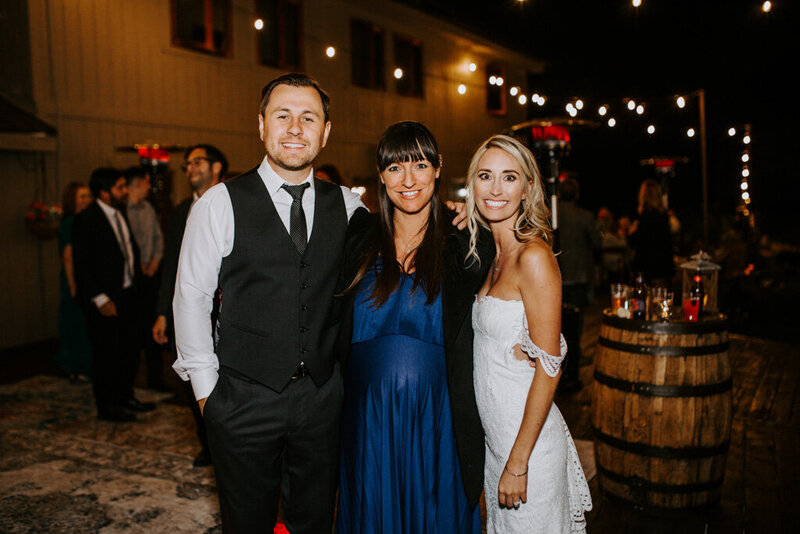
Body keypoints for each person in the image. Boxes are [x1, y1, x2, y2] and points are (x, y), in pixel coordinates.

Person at [172, 73, 367, 533]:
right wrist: (207, 395)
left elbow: (397, 261)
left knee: (316, 521)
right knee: (247, 523)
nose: (295, 128)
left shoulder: (351, 207)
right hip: (242, 397)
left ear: (325, 131)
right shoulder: (219, 204)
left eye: (308, 117)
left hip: (322, 400)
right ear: (262, 126)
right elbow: (191, 298)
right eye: (283, 116)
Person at [334, 121, 493, 533]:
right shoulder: (358, 235)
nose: (408, 180)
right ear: (380, 174)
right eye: (394, 168)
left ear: (438, 168)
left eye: (419, 165)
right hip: (366, 418)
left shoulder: (467, 241)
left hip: (438, 417)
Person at [465, 135, 592, 533]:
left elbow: (550, 367)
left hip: (527, 450)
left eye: (509, 177)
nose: (496, 189)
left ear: (528, 188)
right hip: (497, 442)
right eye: (486, 176)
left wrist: (518, 462)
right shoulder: (494, 254)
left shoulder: (532, 256)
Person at [152, 143, 228, 468]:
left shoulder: (234, 203)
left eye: (197, 161)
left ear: (216, 167)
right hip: (188, 308)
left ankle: (232, 442)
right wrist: (161, 313)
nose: (190, 168)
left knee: (228, 379)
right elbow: (172, 264)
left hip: (228, 311)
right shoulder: (181, 211)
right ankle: (208, 445)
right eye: (187, 164)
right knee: (192, 379)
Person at [72, 167, 155, 422]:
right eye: (120, 187)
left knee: (129, 351)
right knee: (107, 354)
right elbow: (82, 265)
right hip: (105, 299)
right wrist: (100, 299)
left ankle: (125, 396)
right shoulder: (87, 219)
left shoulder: (120, 213)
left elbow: (128, 250)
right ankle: (107, 406)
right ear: (104, 192)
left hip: (128, 293)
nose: (124, 191)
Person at [556, 177, 601, 392]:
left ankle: (559, 367)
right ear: (576, 194)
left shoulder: (552, 215)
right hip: (579, 275)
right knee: (576, 323)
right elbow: (597, 241)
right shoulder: (585, 216)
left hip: (556, 276)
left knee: (556, 323)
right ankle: (572, 367)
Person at [124, 166, 166, 391]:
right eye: (147, 182)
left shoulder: (149, 208)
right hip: (131, 279)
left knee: (153, 328)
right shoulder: (122, 210)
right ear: (137, 183)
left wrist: (155, 261)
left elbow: (159, 238)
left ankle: (155, 379)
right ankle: (128, 384)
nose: (150, 187)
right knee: (132, 331)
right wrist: (138, 265)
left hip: (151, 276)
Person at [55, 182, 93, 384]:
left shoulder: (84, 221)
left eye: (88, 196)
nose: (86, 200)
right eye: (82, 196)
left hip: (82, 279)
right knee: (76, 326)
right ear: (73, 200)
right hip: (74, 281)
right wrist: (73, 287)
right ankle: (77, 368)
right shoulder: (70, 223)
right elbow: (68, 257)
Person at [629, 178, 675, 285]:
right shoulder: (663, 216)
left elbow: (639, 242)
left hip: (647, 268)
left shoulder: (644, 217)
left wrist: (632, 233)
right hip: (663, 267)